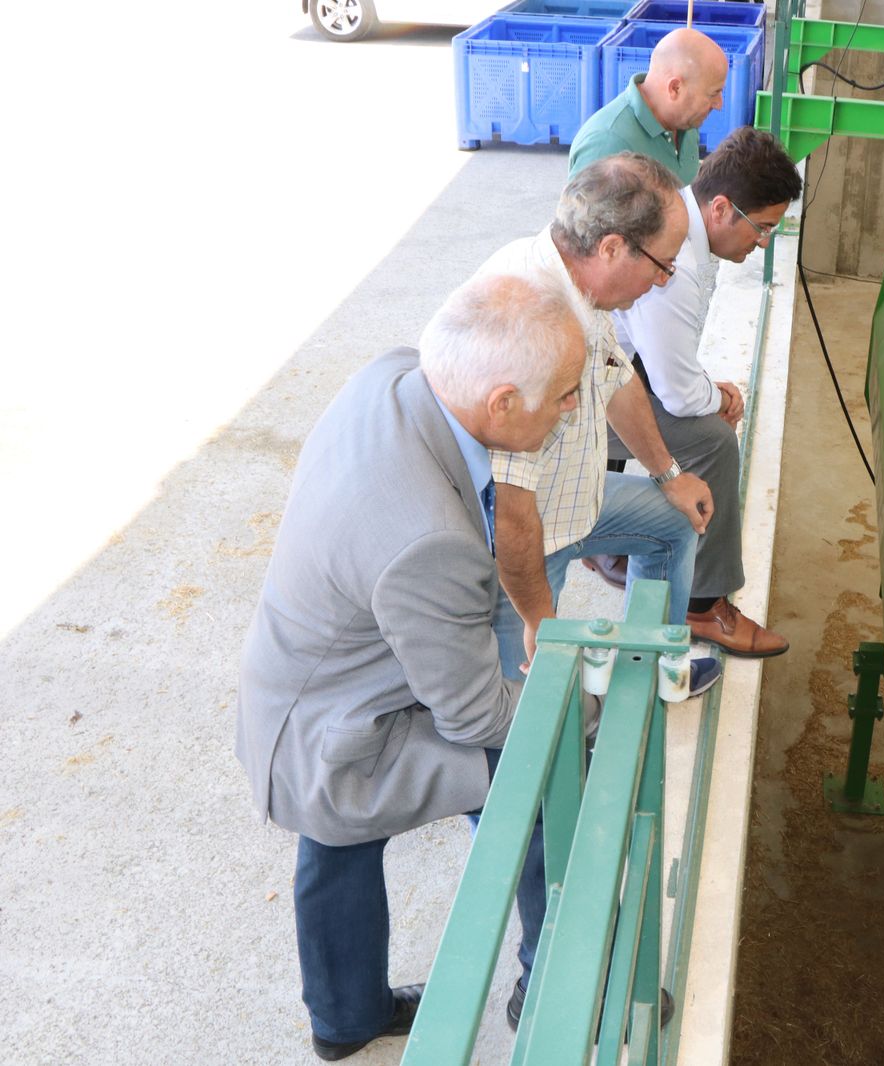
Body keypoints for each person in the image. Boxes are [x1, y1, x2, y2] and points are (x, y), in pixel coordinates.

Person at [235, 272, 588, 1060]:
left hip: (297, 683)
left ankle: (345, 1018)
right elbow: (474, 716)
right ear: (501, 404)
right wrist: (579, 703)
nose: (572, 411)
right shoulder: (429, 539)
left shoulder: (395, 375)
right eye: (565, 396)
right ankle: (552, 980)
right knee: (531, 774)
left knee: (337, 849)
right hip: (335, 731)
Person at [476, 153, 721, 700]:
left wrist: (669, 475)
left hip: (573, 499)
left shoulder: (577, 283)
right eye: (662, 264)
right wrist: (544, 622)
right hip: (524, 548)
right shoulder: (529, 321)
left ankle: (648, 667)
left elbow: (618, 379)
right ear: (612, 247)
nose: (664, 281)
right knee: (520, 718)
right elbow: (510, 514)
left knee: (676, 520)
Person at [602, 127, 801, 657]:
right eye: (760, 228)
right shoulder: (679, 266)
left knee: (699, 410)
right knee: (712, 440)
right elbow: (678, 394)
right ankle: (702, 605)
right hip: (570, 398)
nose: (762, 243)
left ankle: (606, 549)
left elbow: (664, 365)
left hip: (604, 367)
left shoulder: (675, 219)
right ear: (720, 208)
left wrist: (707, 389)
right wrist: (723, 396)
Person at [568, 27, 729, 186]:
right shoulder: (607, 144)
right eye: (713, 93)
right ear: (675, 88)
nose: (719, 104)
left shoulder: (685, 122)